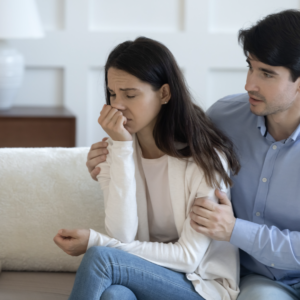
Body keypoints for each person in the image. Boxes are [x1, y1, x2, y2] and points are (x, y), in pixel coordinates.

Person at [85, 9, 300, 300]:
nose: (249, 83)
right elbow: (180, 142)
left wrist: (235, 229)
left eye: (267, 73)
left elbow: (191, 253)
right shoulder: (226, 117)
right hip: (257, 281)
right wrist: (115, 158)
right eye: (250, 67)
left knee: (102, 258)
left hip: (216, 274)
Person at [53, 37, 241, 300]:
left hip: (200, 285)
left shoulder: (205, 158)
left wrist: (98, 242)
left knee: (101, 258)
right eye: (112, 94)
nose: (117, 105)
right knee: (114, 295)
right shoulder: (115, 151)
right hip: (142, 275)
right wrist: (121, 149)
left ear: (164, 93)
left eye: (130, 94)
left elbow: (188, 258)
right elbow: (122, 234)